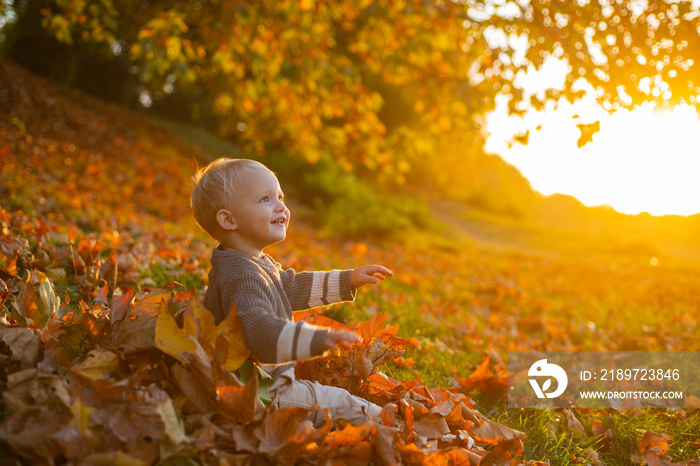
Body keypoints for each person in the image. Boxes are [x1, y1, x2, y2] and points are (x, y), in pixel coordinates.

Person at [190, 158, 393, 427]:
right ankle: (401, 434)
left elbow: (291, 287)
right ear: (228, 220)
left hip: (259, 385)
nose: (281, 207)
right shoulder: (242, 276)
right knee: (345, 404)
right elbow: (262, 333)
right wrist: (321, 339)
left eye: (280, 196)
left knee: (337, 400)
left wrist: (348, 280)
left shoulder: (249, 262)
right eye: (265, 199)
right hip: (263, 394)